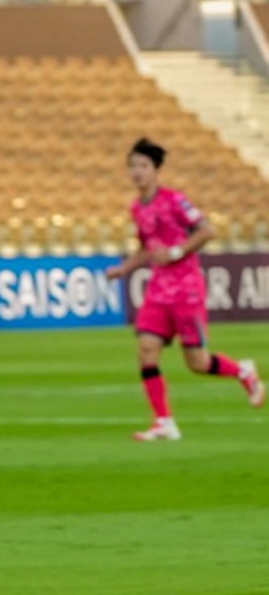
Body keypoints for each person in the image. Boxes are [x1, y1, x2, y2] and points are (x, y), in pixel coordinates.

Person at [106, 138, 263, 441]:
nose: (136, 172)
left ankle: (242, 371)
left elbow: (207, 230)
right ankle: (164, 421)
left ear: (155, 170)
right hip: (158, 291)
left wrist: (177, 252)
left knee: (198, 363)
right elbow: (146, 247)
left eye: (143, 166)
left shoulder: (175, 200)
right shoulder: (137, 208)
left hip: (185, 289)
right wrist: (124, 269)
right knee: (146, 351)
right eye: (132, 166)